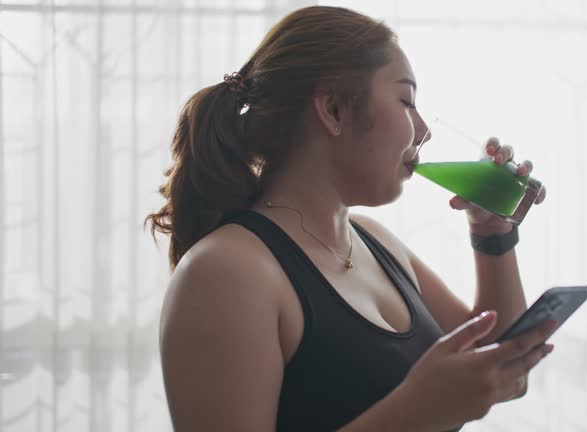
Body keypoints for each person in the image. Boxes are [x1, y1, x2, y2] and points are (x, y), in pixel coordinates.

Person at [146, 5, 550, 432]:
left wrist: (492, 234)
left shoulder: (375, 242)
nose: (423, 130)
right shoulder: (226, 272)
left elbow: (507, 372)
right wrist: (417, 410)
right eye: (406, 100)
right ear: (334, 109)